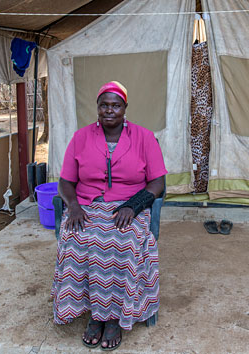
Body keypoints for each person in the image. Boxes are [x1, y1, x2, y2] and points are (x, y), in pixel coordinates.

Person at [51, 81, 167, 350]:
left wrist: (134, 206)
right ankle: (93, 314)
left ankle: (114, 318)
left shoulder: (144, 137)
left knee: (125, 240)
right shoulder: (81, 137)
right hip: (87, 205)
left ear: (125, 107)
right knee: (74, 237)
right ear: (97, 108)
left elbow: (158, 182)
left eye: (116, 105)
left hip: (129, 207)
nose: (109, 110)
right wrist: (75, 206)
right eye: (104, 105)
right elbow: (66, 181)